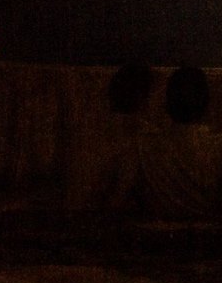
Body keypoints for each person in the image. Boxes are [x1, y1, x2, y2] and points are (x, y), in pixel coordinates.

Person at [137, 66, 222, 218]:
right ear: (206, 104)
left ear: (167, 103)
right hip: (211, 239)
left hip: (158, 239)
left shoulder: (144, 146)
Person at [63, 61, 155, 212]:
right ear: (142, 98)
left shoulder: (87, 128)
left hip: (74, 214)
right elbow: (117, 198)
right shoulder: (134, 137)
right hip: (93, 220)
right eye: (150, 95)